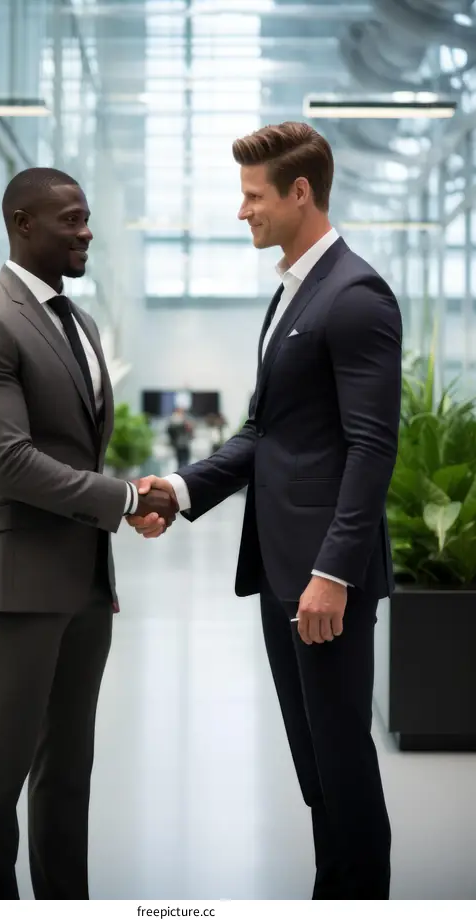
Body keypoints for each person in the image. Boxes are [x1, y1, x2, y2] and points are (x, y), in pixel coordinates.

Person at [130, 123, 401, 900]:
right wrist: (178, 493)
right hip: (288, 575)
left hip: (322, 583)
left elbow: (370, 448)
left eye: (253, 196)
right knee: (318, 768)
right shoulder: (295, 292)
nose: (241, 210)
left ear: (300, 193)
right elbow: (266, 434)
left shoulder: (354, 296)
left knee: (343, 766)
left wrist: (333, 573)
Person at [0, 167, 174, 900]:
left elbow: (77, 448)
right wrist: (126, 496)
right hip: (17, 589)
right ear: (22, 222)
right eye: (72, 219)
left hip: (82, 584)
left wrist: (118, 505)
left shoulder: (78, 321)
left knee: (69, 773)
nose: (87, 232)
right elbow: (10, 464)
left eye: (88, 217)